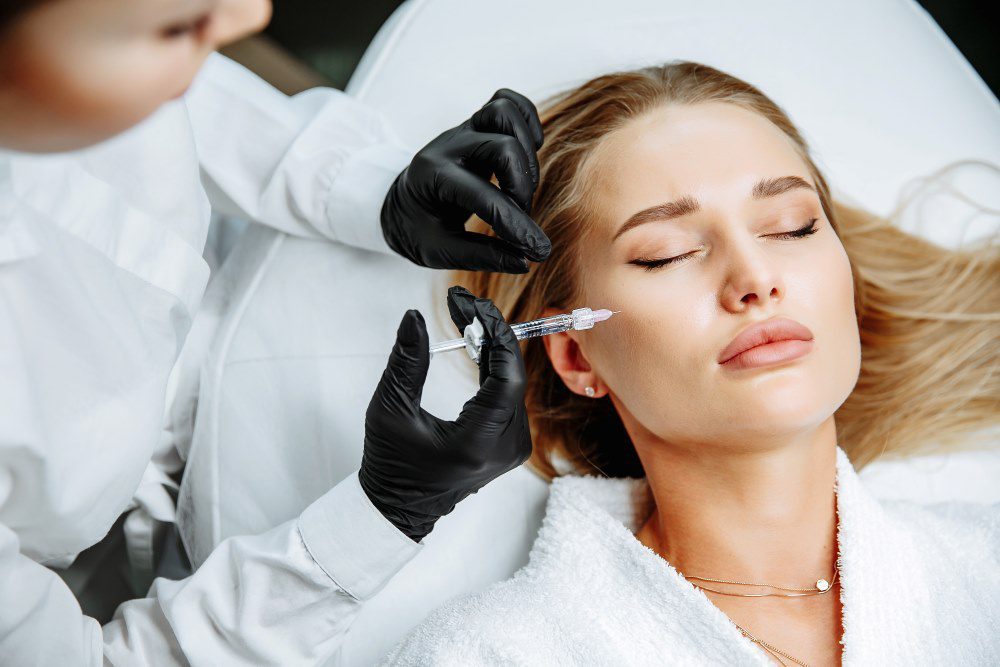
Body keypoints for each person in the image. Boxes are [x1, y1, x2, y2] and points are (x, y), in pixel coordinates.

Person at [382, 62, 1000, 665]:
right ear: (576, 354)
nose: (756, 279)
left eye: (793, 227)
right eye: (667, 255)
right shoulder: (490, 654)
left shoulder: (985, 568)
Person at [0, 0, 551, 663]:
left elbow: (183, 101)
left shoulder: (89, 54)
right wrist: (379, 517)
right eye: (179, 26)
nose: (247, 17)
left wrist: (372, 189)